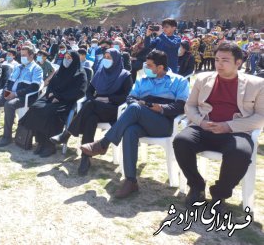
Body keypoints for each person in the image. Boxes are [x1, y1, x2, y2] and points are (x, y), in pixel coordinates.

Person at [80, 50, 189, 198]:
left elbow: (181, 106)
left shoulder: (179, 81)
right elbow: (130, 98)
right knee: (130, 130)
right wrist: (142, 103)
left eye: (149, 66)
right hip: (141, 119)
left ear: (160, 67)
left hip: (163, 123)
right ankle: (130, 181)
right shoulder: (142, 80)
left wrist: (161, 108)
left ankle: (103, 143)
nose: (146, 69)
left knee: (136, 108)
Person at [173, 42, 264, 211]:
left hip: (236, 131)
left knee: (241, 153)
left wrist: (228, 126)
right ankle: (196, 185)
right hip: (204, 126)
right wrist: (201, 122)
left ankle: (219, 194)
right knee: (181, 141)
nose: (219, 64)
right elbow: (190, 106)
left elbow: (260, 116)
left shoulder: (257, 84)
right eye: (216, 59)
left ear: (238, 62)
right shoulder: (203, 79)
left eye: (225, 60)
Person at [51, 49, 132, 175]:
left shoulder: (125, 75)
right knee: (90, 119)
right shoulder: (100, 72)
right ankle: (85, 158)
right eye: (104, 56)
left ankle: (66, 134)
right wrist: (94, 99)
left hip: (113, 110)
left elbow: (127, 97)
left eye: (109, 57)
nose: (106, 59)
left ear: (116, 60)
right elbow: (89, 92)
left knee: (90, 105)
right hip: (95, 108)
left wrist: (108, 99)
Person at [20, 51, 87, 157]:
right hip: (52, 98)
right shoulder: (60, 71)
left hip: (67, 101)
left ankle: (50, 145)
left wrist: (59, 97)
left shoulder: (80, 73)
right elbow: (51, 84)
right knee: (35, 107)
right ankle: (41, 142)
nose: (66, 59)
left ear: (75, 60)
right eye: (65, 57)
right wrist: (51, 94)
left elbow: (79, 92)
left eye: (69, 58)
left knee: (49, 112)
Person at [0, 46, 43, 146]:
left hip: (23, 97)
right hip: (10, 94)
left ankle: (7, 137)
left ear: (31, 56)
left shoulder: (36, 69)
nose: (22, 57)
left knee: (9, 105)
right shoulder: (18, 67)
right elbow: (8, 82)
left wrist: (15, 94)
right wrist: (6, 93)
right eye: (21, 55)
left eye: (24, 55)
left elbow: (34, 87)